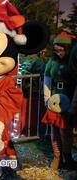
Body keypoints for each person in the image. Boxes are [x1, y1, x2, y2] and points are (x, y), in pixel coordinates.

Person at [42, 31, 77, 170]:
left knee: (66, 131)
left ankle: (68, 158)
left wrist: (73, 106)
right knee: (54, 130)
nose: (58, 53)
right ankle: (57, 158)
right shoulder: (52, 61)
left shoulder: (72, 63)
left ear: (67, 49)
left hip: (68, 101)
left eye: (61, 50)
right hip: (54, 100)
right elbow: (47, 79)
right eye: (56, 50)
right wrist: (47, 99)